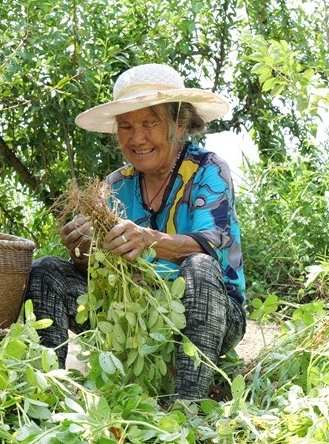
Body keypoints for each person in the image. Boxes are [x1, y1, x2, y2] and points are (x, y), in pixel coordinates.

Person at [25, 63, 246, 402]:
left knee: (199, 268)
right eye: (126, 126)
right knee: (46, 271)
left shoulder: (208, 170)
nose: (136, 137)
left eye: (149, 123)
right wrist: (82, 251)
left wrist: (148, 240)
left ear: (180, 124)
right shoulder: (115, 185)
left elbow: (211, 247)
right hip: (134, 320)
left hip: (211, 314)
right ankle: (47, 396)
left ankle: (187, 407)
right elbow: (101, 274)